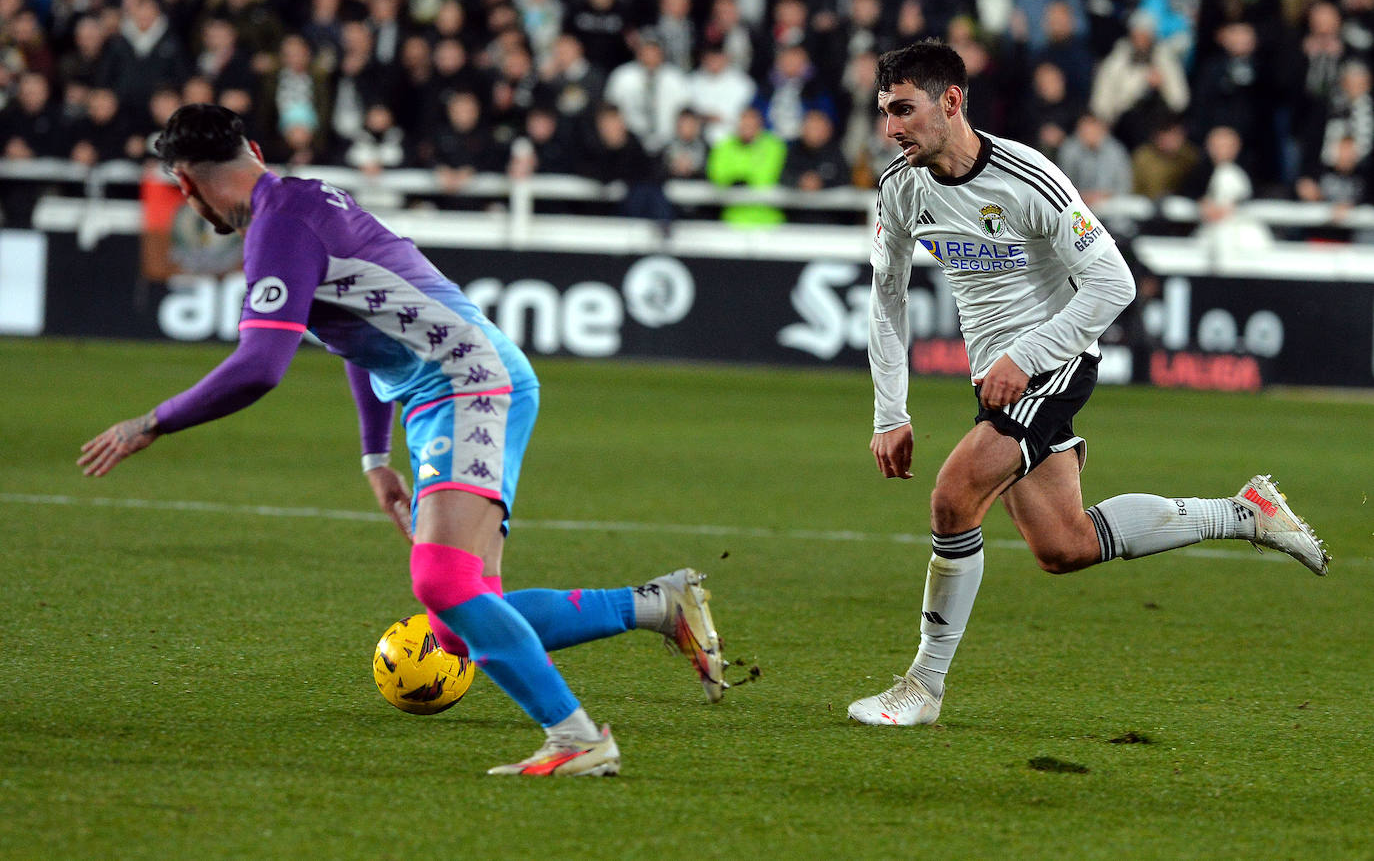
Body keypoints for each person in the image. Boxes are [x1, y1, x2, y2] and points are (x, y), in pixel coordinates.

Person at [77, 104, 727, 775]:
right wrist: (374, 455)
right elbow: (357, 332)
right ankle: (658, 604)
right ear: (256, 148)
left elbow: (259, 367)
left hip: (466, 380)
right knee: (461, 621)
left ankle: (578, 739)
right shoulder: (302, 200)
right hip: (447, 384)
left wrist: (150, 422)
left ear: (183, 184)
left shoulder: (279, 230)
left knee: (440, 581)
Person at [848, 41, 1328, 728]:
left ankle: (923, 686)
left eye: (903, 109)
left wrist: (1028, 354)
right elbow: (886, 298)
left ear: (951, 102)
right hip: (997, 380)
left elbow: (1113, 282)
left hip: (1054, 362)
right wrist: (888, 411)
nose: (890, 128)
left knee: (954, 498)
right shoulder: (899, 189)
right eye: (883, 112)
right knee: (1063, 546)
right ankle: (1245, 512)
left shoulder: (1028, 177)